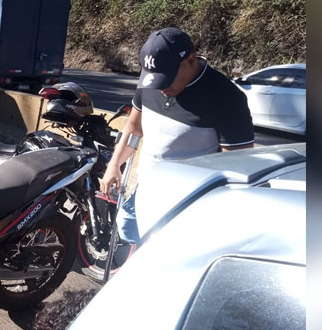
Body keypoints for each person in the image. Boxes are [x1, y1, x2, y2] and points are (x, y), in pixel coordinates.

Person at [99, 27, 255, 244]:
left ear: (190, 60)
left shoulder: (226, 97)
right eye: (154, 79)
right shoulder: (151, 83)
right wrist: (115, 165)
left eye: (167, 79)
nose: (160, 87)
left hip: (189, 204)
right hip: (146, 190)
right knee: (130, 236)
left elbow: (238, 166)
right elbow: (135, 128)